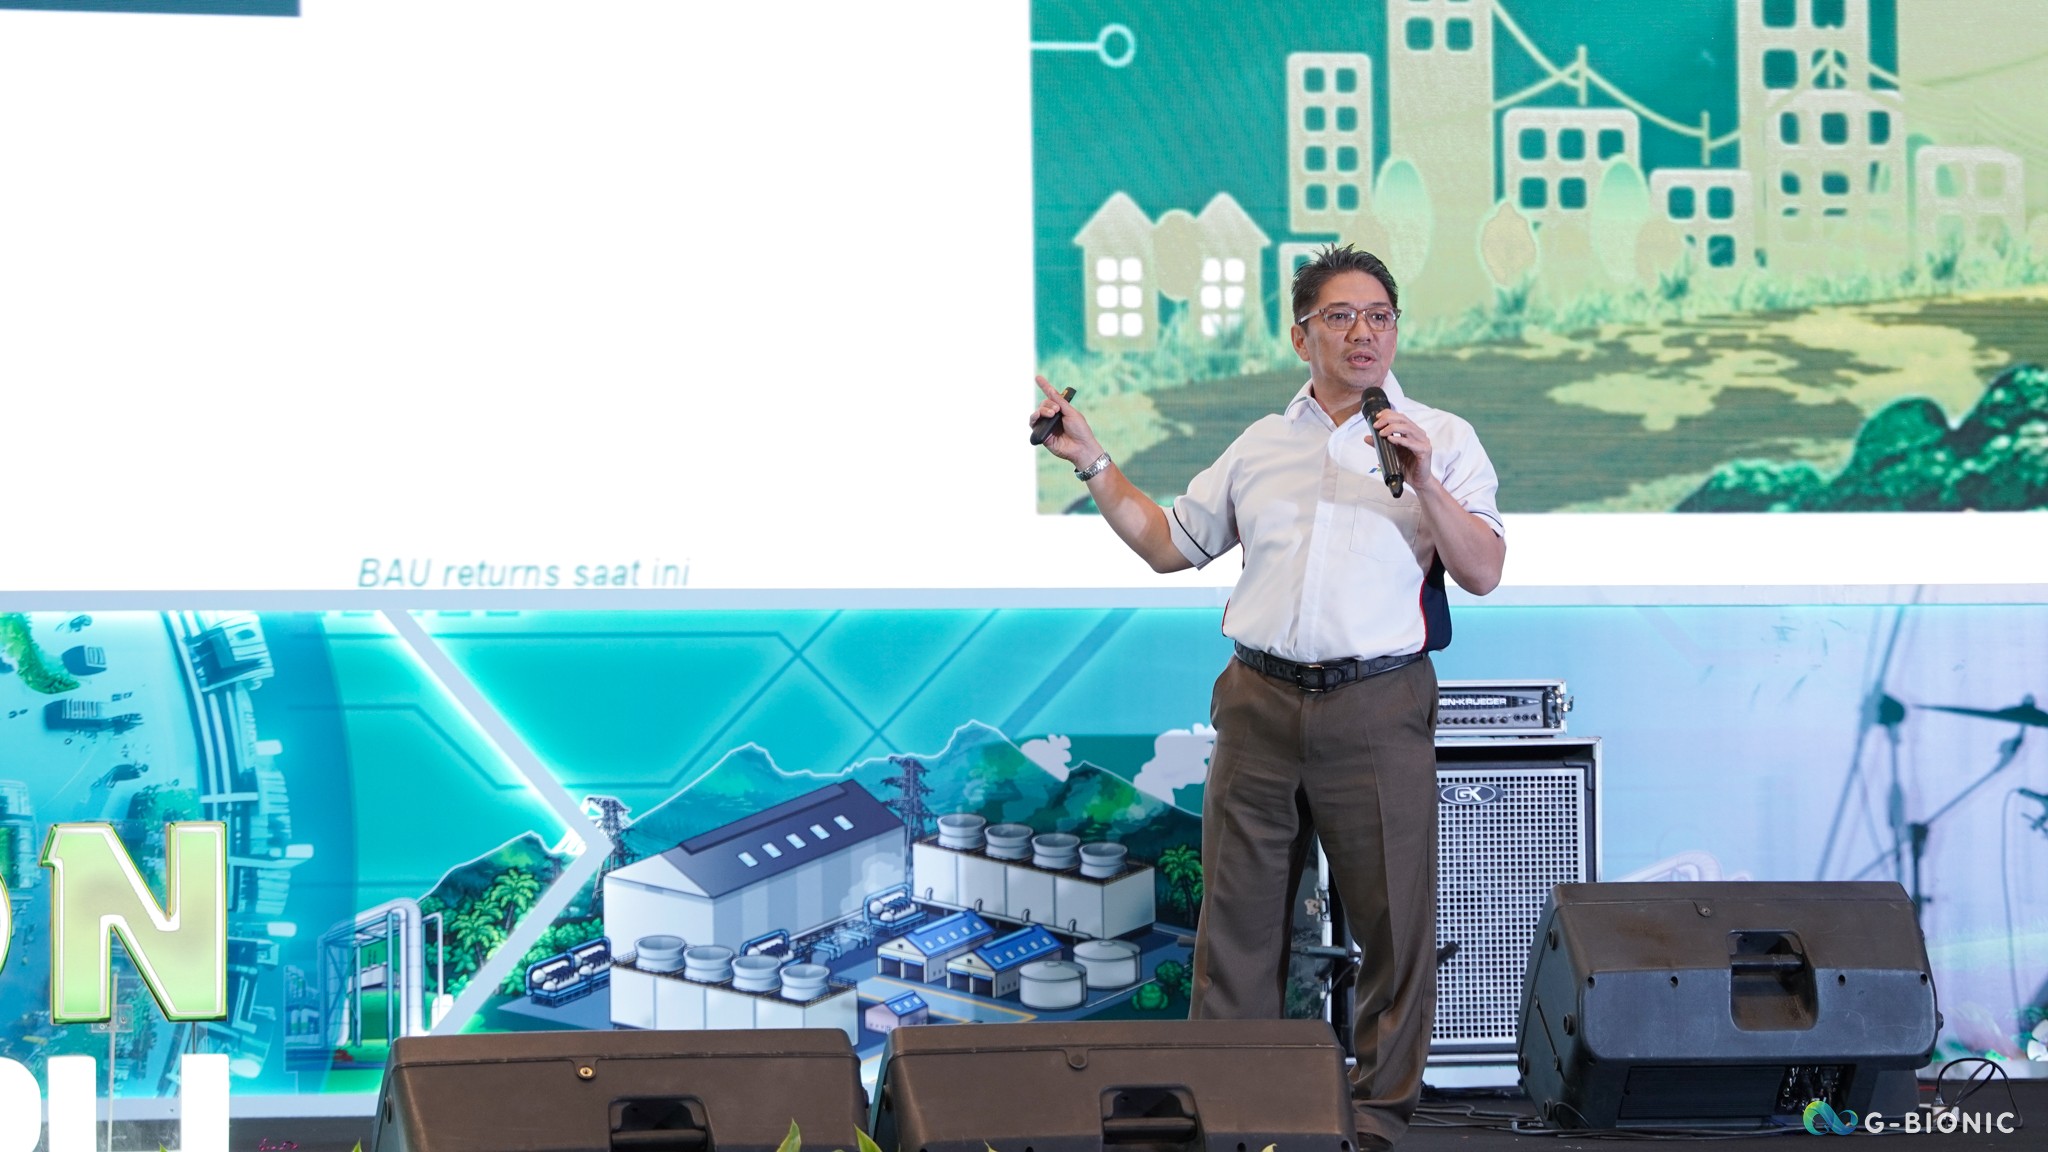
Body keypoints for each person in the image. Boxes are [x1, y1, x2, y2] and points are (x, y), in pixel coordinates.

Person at [1030, 245, 1504, 1150]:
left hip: (1377, 704)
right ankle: (1231, 1110)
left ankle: (1376, 1117)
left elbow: (1482, 570)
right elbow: (1169, 543)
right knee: (1238, 929)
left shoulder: (1442, 436)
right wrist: (1092, 460)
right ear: (1300, 335)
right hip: (1258, 703)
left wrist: (1425, 479)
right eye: (1341, 316)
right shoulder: (1260, 443)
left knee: (1394, 926)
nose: (1364, 333)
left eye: (1380, 316)